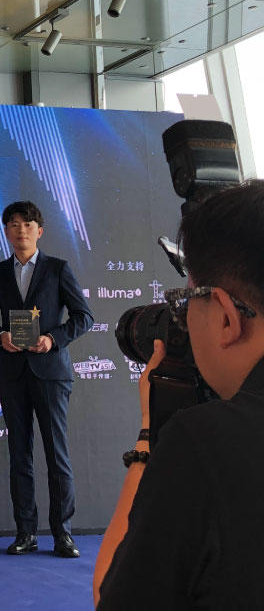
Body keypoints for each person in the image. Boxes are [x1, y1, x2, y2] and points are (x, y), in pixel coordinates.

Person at [95, 181, 264, 609]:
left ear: (226, 317)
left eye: (186, 301)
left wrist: (150, 433)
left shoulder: (206, 442)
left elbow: (112, 597)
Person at [0, 201, 92, 559]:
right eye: (14, 224)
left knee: (57, 454)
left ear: (39, 231)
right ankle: (25, 532)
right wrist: (1, 337)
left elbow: (83, 317)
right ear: (6, 232)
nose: (21, 230)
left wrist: (52, 339)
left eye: (27, 224)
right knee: (19, 456)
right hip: (13, 373)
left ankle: (63, 533)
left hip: (51, 372)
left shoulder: (58, 268)